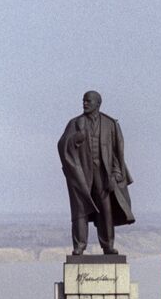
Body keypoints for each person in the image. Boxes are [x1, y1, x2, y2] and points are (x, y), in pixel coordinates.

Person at [57, 90, 134, 255]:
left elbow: (117, 153)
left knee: (106, 210)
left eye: (88, 101)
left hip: (103, 174)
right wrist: (76, 138)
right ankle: (79, 246)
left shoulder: (110, 124)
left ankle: (108, 245)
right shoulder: (75, 123)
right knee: (80, 210)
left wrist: (116, 175)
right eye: (84, 100)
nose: (85, 103)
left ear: (98, 104)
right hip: (82, 174)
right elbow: (62, 145)